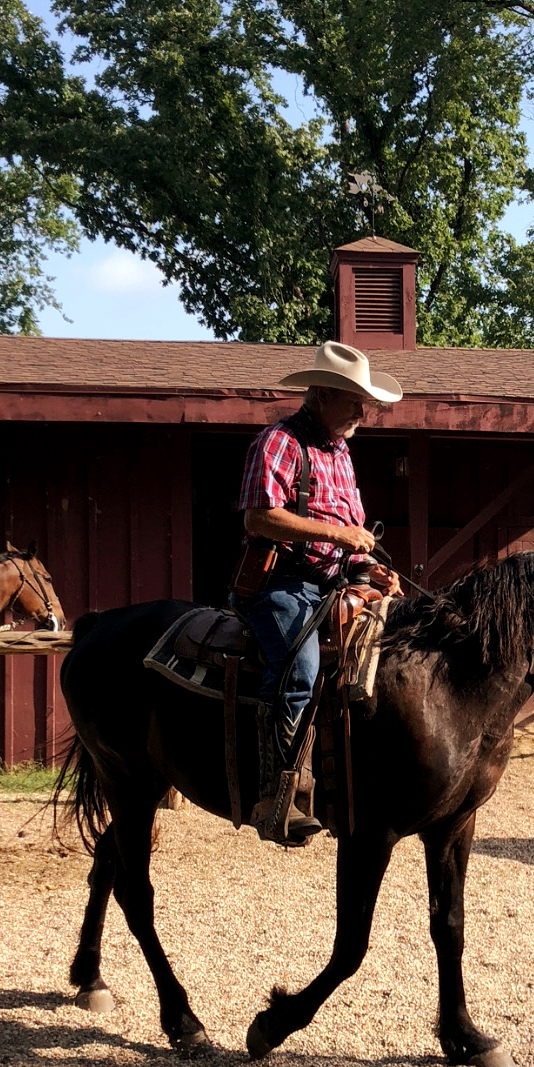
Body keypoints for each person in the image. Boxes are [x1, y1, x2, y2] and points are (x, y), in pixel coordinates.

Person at [235, 340, 403, 843]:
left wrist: (369, 567)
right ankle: (277, 797)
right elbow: (259, 517)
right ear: (324, 394)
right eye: (356, 401)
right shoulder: (279, 442)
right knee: (300, 670)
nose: (364, 412)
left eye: (366, 402)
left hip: (334, 584)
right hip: (279, 586)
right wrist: (338, 537)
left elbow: (351, 532)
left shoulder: (341, 452)